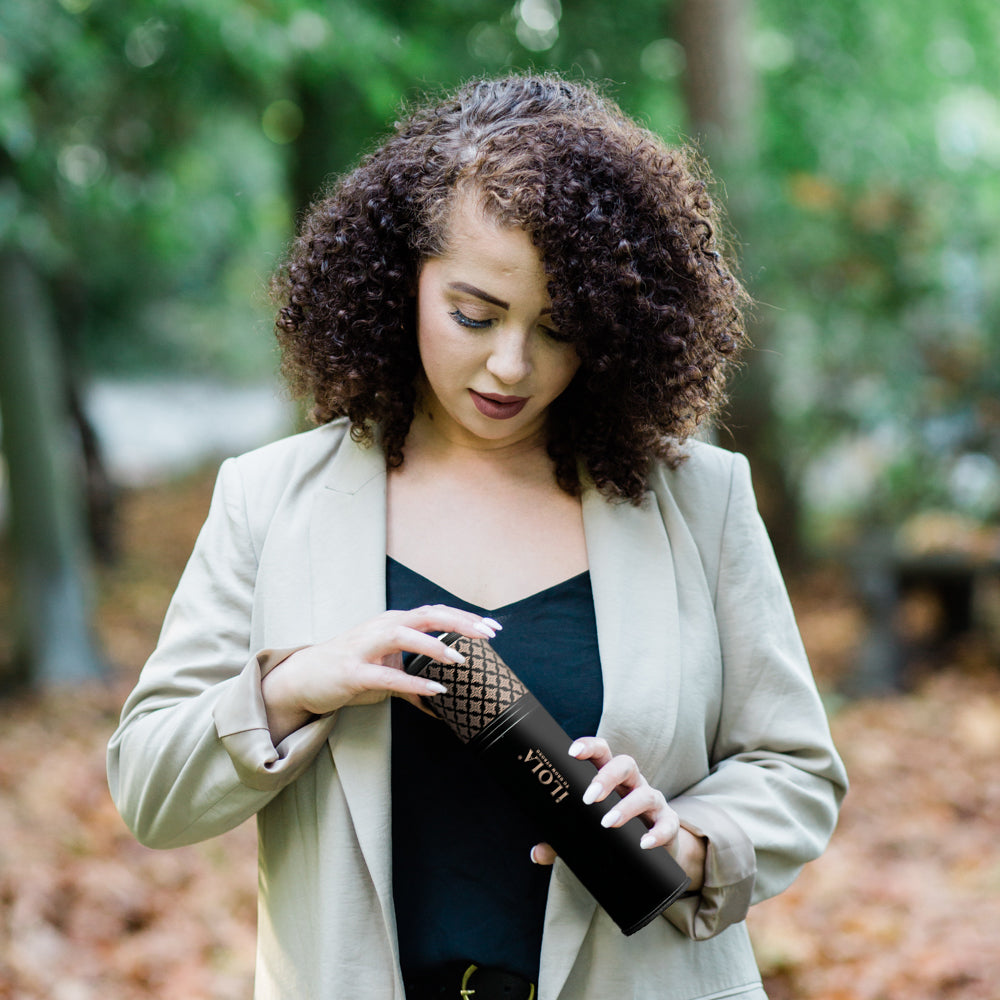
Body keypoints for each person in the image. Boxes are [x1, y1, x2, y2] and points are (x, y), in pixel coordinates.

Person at [108, 74, 847, 1000]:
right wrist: (294, 685)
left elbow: (796, 771)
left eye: (560, 327)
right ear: (396, 276)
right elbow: (149, 787)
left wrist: (694, 843)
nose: (511, 365)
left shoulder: (700, 502)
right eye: (474, 313)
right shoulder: (269, 500)